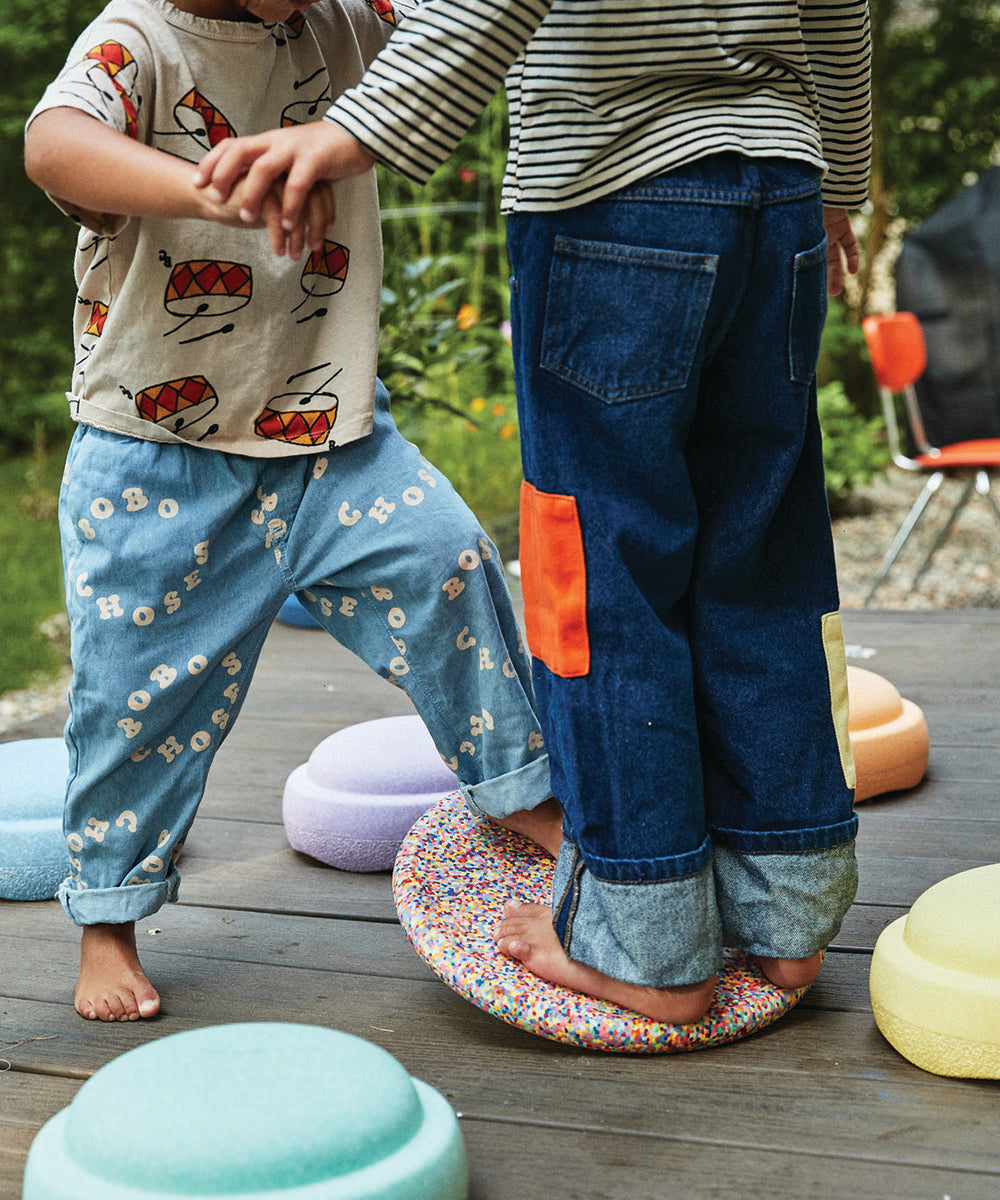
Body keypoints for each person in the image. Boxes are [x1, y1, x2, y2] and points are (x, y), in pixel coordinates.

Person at [196, 0, 872, 1026]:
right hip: (778, 191)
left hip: (615, 197)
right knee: (762, 559)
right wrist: (841, 182)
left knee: (600, 579)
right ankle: (789, 915)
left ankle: (646, 946)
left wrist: (353, 130)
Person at [23, 0, 556, 1023]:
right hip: (156, 459)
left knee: (451, 566)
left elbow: (471, 40)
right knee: (133, 704)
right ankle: (109, 921)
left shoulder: (347, 23)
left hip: (333, 436)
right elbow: (55, 145)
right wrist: (208, 191)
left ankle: (523, 790)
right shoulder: (139, 36)